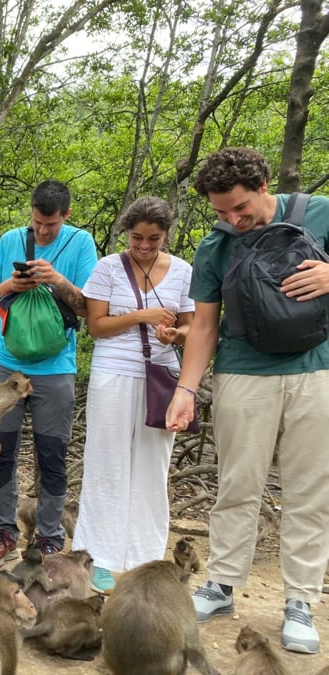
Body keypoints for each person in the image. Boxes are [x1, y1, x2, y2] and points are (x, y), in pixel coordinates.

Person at [166, 147, 329, 655]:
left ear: (264, 186)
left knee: (310, 490)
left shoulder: (319, 214)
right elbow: (205, 325)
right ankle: (221, 585)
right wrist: (185, 391)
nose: (233, 220)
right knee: (237, 485)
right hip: (243, 372)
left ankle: (300, 600)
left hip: (315, 371)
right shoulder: (216, 244)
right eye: (221, 212)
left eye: (240, 208)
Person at [70, 196, 193, 594]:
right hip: (113, 374)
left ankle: (145, 558)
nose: (144, 246)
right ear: (127, 233)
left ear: (165, 235)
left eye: (153, 239)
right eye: (137, 237)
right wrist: (142, 317)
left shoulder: (182, 272)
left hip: (161, 376)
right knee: (106, 462)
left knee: (152, 466)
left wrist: (175, 334)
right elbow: (97, 325)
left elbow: (195, 327)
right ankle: (97, 556)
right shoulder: (108, 268)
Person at [0, 179, 98, 566]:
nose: (43, 231)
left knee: (51, 454)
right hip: (4, 360)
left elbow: (88, 309)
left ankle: (48, 537)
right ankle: (4, 532)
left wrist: (57, 280)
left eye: (51, 224)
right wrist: (10, 285)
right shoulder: (11, 239)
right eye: (37, 223)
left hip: (54, 366)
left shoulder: (81, 244)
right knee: (1, 451)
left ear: (67, 215)